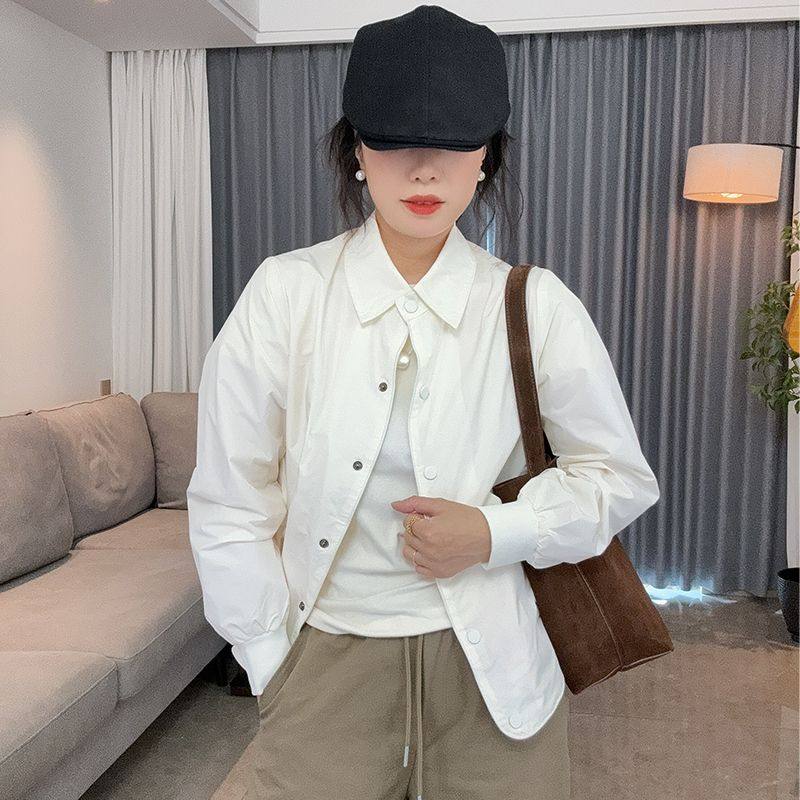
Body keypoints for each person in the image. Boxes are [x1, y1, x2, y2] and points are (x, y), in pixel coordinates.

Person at [186, 5, 661, 799]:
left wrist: (495, 531)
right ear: (356, 150)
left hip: (494, 666)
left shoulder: (536, 305)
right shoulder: (286, 294)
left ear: (486, 157)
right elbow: (230, 499)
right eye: (394, 141)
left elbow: (618, 478)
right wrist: (270, 656)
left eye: (455, 144)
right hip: (324, 658)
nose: (424, 170)